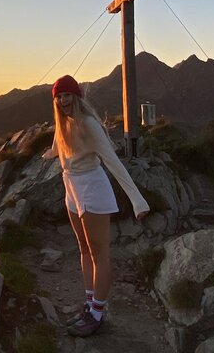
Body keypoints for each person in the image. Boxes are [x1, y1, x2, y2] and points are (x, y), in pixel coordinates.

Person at [41, 74, 149, 337]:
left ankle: (97, 314)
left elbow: (112, 160)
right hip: (71, 187)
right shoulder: (62, 121)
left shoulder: (88, 123)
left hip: (92, 186)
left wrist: (137, 200)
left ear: (76, 96)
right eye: (59, 96)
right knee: (84, 249)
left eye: (68, 95)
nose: (64, 100)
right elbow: (58, 146)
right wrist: (48, 154)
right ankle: (90, 305)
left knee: (99, 253)